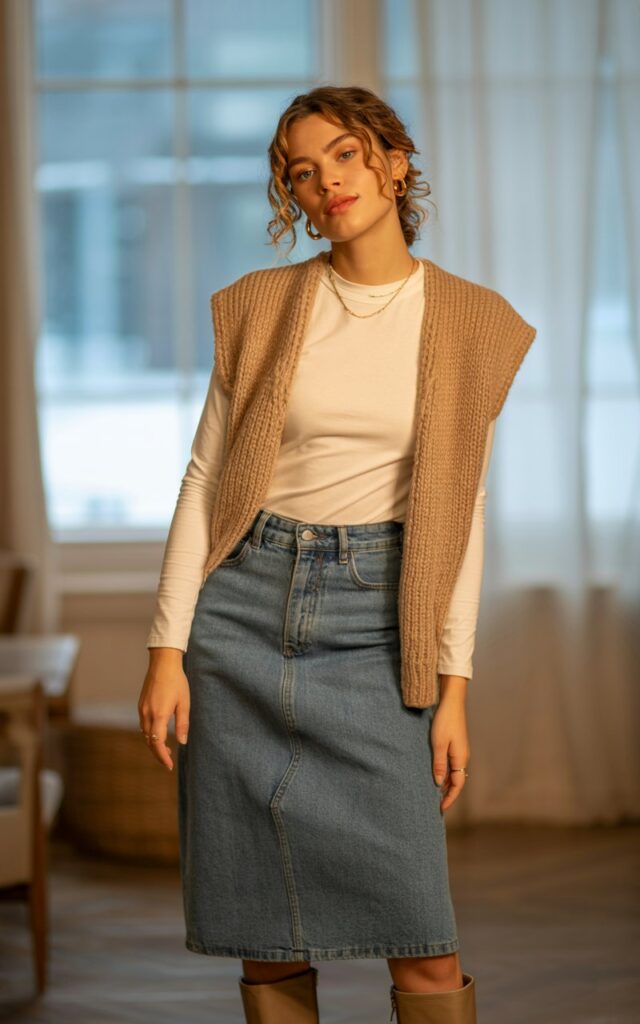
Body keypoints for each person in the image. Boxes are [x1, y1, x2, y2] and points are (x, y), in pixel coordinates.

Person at [138, 84, 536, 1024]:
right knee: (267, 944)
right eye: (303, 173)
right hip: (238, 616)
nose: (327, 183)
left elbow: (461, 515)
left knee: (426, 953)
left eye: (346, 155)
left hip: (376, 621)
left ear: (395, 162)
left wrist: (454, 691)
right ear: (297, 199)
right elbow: (204, 481)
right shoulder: (262, 306)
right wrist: (165, 651)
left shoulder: (476, 322)